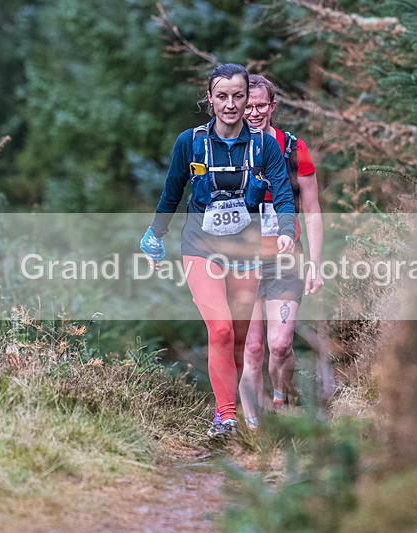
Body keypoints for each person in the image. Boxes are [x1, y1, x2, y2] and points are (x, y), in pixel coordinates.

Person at [140, 64, 297, 438]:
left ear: (248, 98)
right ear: (209, 99)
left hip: (245, 251)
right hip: (200, 248)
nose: (231, 105)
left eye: (238, 96)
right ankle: (225, 417)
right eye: (222, 96)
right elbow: (173, 190)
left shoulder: (264, 145)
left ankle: (246, 414)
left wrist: (288, 229)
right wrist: (155, 236)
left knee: (243, 339)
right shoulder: (190, 141)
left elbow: (283, 189)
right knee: (221, 330)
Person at [238, 74, 324, 429]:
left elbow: (313, 210)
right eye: (247, 106)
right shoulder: (225, 149)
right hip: (240, 261)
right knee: (253, 349)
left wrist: (316, 265)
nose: (254, 112)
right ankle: (256, 430)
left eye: (261, 105)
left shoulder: (293, 149)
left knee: (280, 343)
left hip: (286, 259)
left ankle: (281, 396)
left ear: (273, 107)